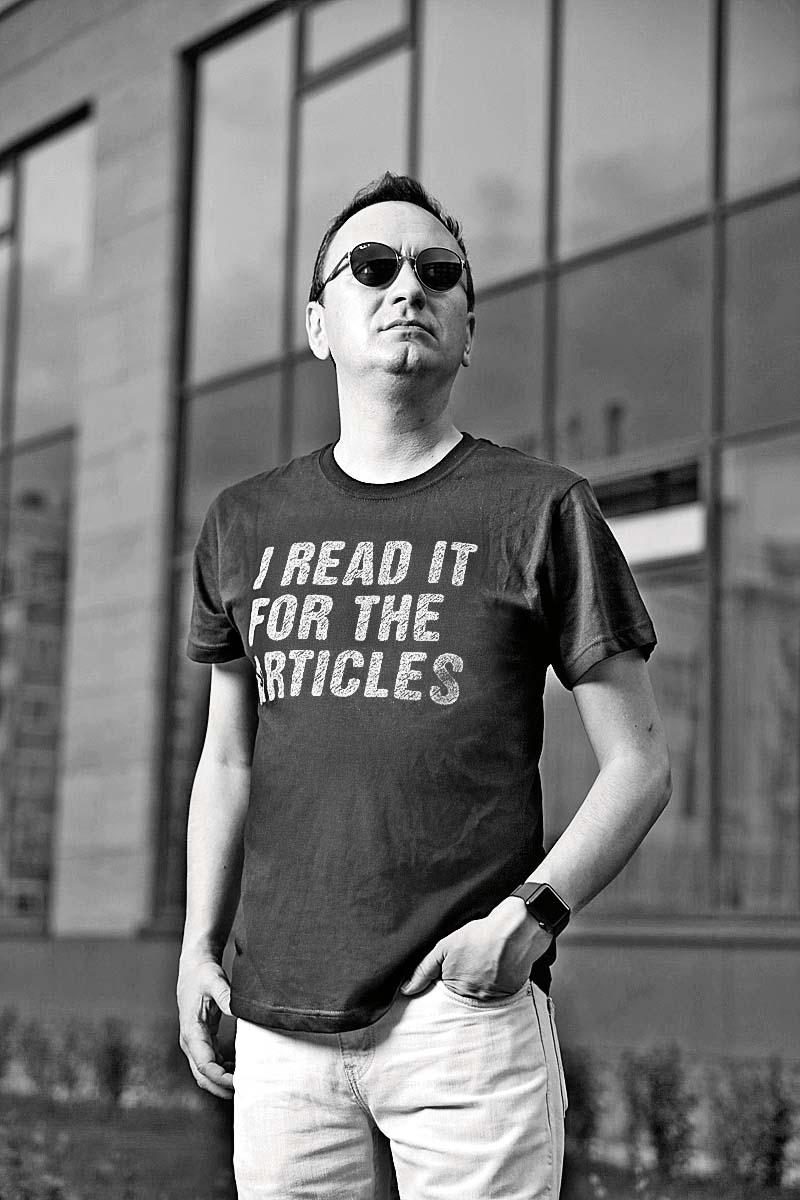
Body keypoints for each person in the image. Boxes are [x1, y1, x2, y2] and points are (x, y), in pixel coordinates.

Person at [176, 172, 671, 1199]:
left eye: (439, 273)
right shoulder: (243, 523)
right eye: (372, 267)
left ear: (467, 330)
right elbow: (226, 760)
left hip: (463, 1016)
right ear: (318, 324)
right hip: (277, 1023)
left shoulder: (541, 509)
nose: (408, 286)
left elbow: (639, 765)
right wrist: (196, 946)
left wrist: (529, 918)